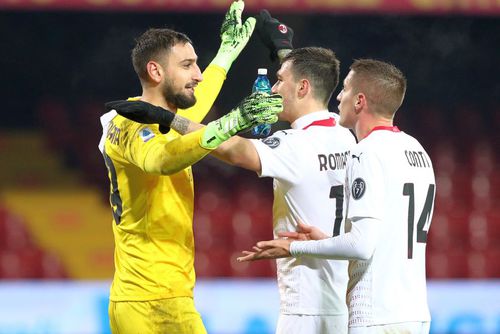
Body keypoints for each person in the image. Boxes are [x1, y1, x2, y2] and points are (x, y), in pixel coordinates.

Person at [98, 1, 282, 333]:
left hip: (166, 296)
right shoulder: (128, 122)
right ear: (156, 72)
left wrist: (225, 54)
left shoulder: (163, 116)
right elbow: (162, 159)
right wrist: (233, 121)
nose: (197, 75)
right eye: (187, 65)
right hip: (148, 302)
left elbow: (193, 110)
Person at [238, 59, 436, 334]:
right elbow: (382, 233)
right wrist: (329, 241)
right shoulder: (417, 150)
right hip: (415, 313)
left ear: (359, 101)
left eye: (344, 89)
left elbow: (361, 246)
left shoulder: (365, 152)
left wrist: (292, 248)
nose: (339, 97)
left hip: (375, 314)